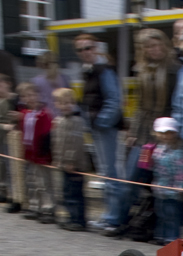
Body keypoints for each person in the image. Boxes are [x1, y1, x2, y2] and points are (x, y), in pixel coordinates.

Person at [111, 28, 180, 237]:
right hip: (144, 131)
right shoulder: (141, 70)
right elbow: (140, 104)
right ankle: (119, 220)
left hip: (167, 129)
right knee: (132, 178)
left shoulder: (174, 69)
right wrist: (133, 131)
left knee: (161, 184)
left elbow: (176, 103)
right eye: (149, 46)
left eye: (158, 45)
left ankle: (157, 228)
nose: (155, 49)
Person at [76, 34, 124, 231]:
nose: (85, 52)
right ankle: (109, 214)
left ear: (95, 48)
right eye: (80, 50)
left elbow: (114, 100)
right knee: (104, 172)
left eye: (88, 48)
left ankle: (114, 217)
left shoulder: (104, 70)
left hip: (105, 128)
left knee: (111, 172)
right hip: (95, 127)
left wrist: (101, 122)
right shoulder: (89, 71)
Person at [52, 88, 90, 231]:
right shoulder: (59, 121)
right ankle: (70, 216)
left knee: (75, 193)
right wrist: (57, 159)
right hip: (63, 164)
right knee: (66, 191)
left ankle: (78, 220)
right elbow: (57, 142)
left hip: (74, 165)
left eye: (69, 103)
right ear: (57, 104)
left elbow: (74, 143)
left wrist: (69, 161)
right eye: (62, 103)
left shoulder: (76, 121)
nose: (66, 106)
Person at [150, 117, 183, 245]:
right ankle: (160, 235)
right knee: (161, 214)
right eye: (162, 133)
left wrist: (181, 186)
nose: (165, 136)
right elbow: (155, 167)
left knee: (172, 215)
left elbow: (182, 171)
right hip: (159, 188)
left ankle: (172, 238)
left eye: (169, 133)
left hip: (173, 191)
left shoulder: (179, 152)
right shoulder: (157, 149)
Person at [18, 82, 53, 222]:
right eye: (27, 96)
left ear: (38, 96)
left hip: (41, 153)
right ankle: (34, 206)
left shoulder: (44, 114)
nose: (30, 98)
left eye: (32, 95)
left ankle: (48, 208)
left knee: (43, 183)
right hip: (29, 153)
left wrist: (45, 153)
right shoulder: (25, 114)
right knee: (31, 181)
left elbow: (46, 134)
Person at [31, 52, 70, 118]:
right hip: (44, 119)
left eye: (54, 64)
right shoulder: (36, 81)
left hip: (62, 118)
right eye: (47, 66)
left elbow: (70, 100)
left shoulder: (64, 79)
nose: (51, 68)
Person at [0, 75, 18, 208]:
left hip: (12, 139)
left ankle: (13, 195)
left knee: (12, 167)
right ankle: (5, 192)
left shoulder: (14, 99)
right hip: (3, 138)